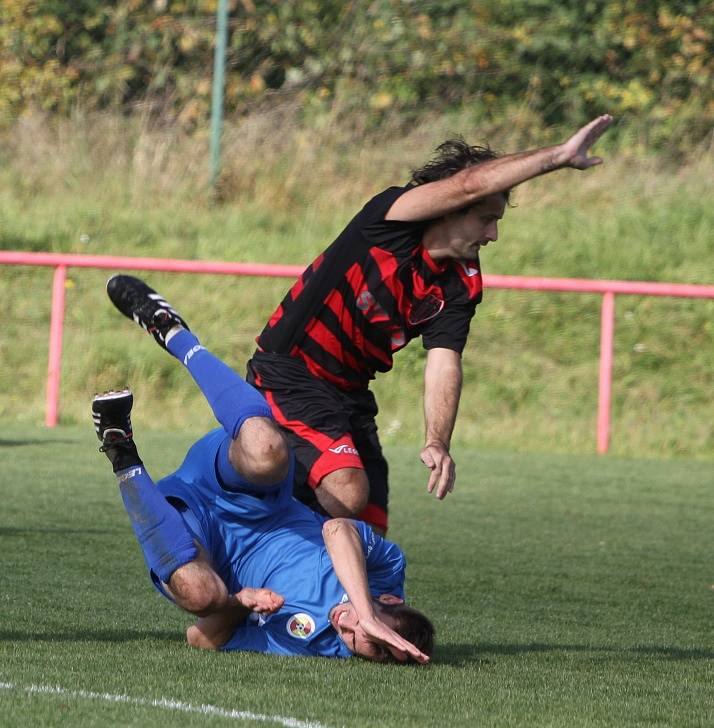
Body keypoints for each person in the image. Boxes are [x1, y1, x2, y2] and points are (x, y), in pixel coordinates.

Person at [246, 115, 614, 533]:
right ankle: (250, 525)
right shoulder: (388, 222)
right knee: (345, 492)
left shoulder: (461, 283)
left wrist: (437, 440)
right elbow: (468, 184)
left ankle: (346, 591)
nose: (493, 234)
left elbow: (444, 363)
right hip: (289, 374)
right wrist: (557, 157)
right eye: (485, 219)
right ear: (451, 209)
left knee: (371, 529)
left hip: (348, 396)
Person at [95, 274, 433, 663]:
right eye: (367, 625)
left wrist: (241, 602)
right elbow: (337, 528)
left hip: (198, 536)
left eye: (359, 644)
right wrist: (366, 610)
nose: (349, 628)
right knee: (268, 450)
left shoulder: (318, 644)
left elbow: (200, 639)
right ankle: (172, 332)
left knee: (199, 594)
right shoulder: (386, 572)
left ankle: (120, 450)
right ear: (388, 600)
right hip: (253, 502)